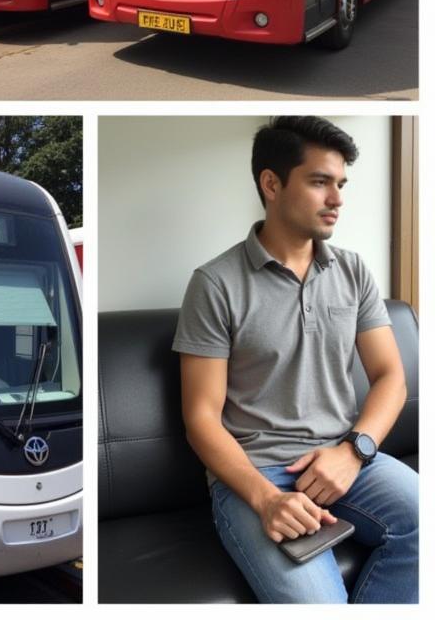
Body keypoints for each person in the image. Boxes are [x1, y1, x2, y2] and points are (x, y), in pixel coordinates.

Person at [174, 116, 417, 604]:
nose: (337, 199)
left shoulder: (352, 271)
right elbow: (200, 417)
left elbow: (392, 378)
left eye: (340, 184)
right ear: (271, 183)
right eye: (320, 181)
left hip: (347, 458)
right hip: (255, 474)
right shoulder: (215, 283)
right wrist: (266, 499)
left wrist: (353, 451)